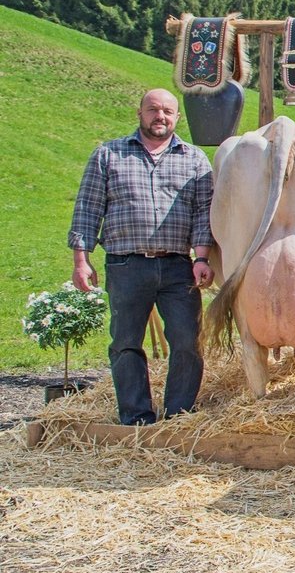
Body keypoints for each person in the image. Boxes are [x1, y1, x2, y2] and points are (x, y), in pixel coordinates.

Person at [68, 89, 214, 425]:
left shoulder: (194, 160)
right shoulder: (109, 154)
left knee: (187, 340)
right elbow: (88, 208)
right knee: (125, 342)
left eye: (167, 111)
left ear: (177, 118)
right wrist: (81, 258)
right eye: (153, 110)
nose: (160, 117)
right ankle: (136, 417)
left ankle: (179, 413)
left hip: (178, 266)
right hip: (126, 264)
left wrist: (202, 257)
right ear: (140, 113)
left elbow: (203, 213)